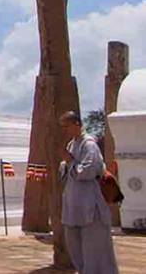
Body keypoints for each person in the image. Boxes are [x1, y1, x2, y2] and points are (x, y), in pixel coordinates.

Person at [59, 111, 119, 274]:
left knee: (95, 252)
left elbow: (87, 172)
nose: (64, 130)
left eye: (66, 126)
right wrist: (66, 163)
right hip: (74, 206)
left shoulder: (89, 145)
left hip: (91, 207)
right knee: (76, 248)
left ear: (76, 124)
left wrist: (70, 161)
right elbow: (65, 172)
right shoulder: (72, 145)